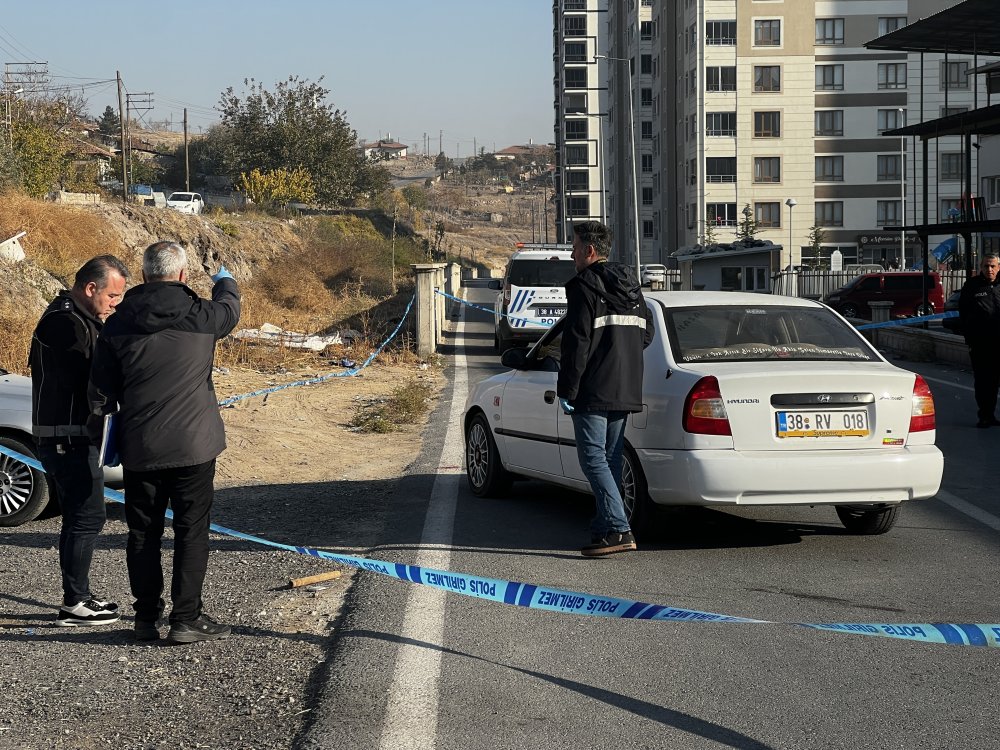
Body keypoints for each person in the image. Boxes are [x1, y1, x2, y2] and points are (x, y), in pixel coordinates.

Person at [88, 241, 240, 643]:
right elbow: (230, 309)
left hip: (141, 447)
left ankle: (145, 618)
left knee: (143, 532)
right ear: (183, 276)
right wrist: (225, 280)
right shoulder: (203, 315)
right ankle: (186, 618)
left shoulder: (117, 325)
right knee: (192, 530)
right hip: (194, 445)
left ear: (143, 275)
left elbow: (100, 395)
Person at [30, 255, 129, 626]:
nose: (115, 304)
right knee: (85, 516)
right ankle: (75, 602)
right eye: (113, 296)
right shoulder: (65, 323)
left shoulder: (81, 319)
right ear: (91, 288)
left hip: (74, 435)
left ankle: (79, 595)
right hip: (65, 437)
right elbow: (93, 374)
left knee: (86, 515)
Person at [557, 221, 654, 557]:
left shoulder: (584, 286)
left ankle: (619, 528)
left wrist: (567, 390)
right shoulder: (633, 288)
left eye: (573, 246)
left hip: (593, 387)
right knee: (609, 459)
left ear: (589, 251)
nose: (571, 253)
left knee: (592, 459)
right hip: (625, 386)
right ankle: (603, 531)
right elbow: (646, 335)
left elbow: (576, 344)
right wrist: (619, 356)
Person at [958, 253, 1000, 428]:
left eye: (992, 266)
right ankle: (986, 416)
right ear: (981, 267)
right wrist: (970, 335)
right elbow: (963, 312)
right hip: (981, 344)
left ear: (998, 267)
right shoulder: (972, 286)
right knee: (984, 382)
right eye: (985, 266)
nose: (989, 269)